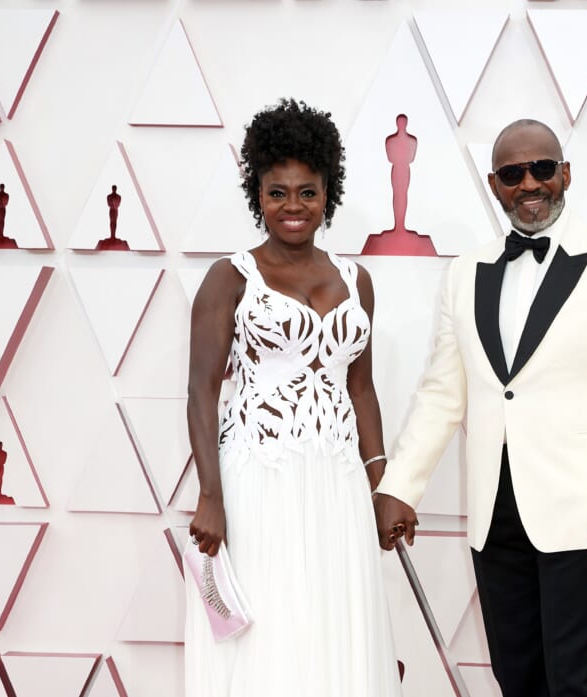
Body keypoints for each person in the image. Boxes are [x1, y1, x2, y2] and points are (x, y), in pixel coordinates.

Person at [374, 119, 587, 696]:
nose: (530, 183)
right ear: (495, 184)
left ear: (566, 174)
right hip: (496, 516)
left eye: (542, 168)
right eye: (513, 174)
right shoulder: (465, 273)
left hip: (586, 519)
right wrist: (401, 485)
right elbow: (442, 392)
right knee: (517, 680)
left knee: (578, 684)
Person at [185, 98, 401, 697]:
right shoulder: (230, 278)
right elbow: (201, 393)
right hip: (258, 479)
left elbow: (361, 388)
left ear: (328, 193)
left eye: (307, 192)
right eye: (277, 192)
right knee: (271, 633)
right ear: (257, 194)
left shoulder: (357, 281)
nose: (293, 206)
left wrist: (382, 487)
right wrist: (210, 497)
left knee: (336, 629)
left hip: (338, 481)